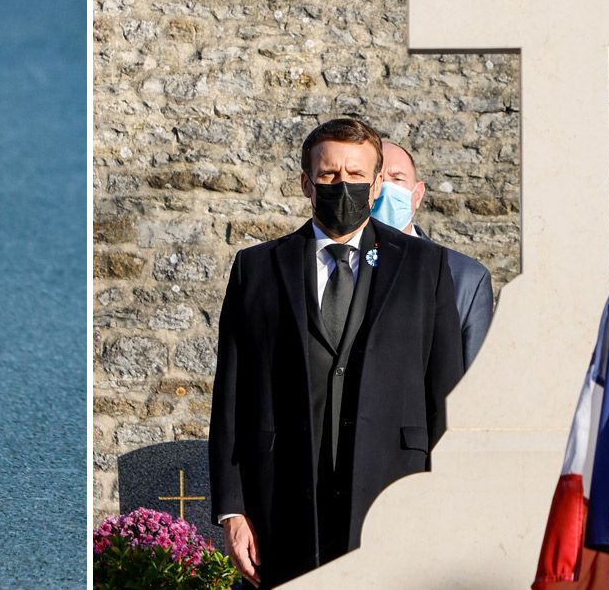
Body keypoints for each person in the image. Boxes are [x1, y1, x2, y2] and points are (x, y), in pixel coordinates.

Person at [209, 118, 462, 587]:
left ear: (376, 183)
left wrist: (445, 500)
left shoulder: (425, 267)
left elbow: (444, 390)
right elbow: (231, 397)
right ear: (307, 182)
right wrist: (232, 509)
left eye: (355, 175)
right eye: (328, 175)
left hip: (394, 487)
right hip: (279, 501)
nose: (341, 185)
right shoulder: (257, 268)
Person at [374, 140, 494, 372]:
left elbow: (471, 374)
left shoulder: (465, 277)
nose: (387, 190)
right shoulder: (335, 261)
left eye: (397, 179)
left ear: (417, 195)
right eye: (377, 180)